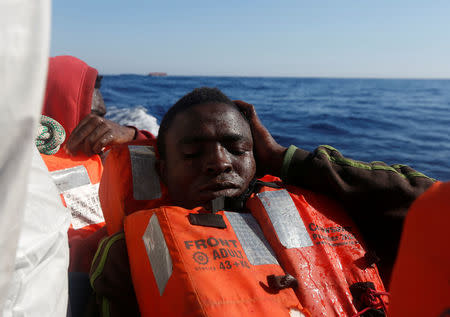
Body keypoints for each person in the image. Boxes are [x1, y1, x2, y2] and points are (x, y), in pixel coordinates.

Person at [89, 87, 435, 316]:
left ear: (257, 159)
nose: (220, 162)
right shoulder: (132, 253)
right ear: (163, 169)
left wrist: (285, 158)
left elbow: (432, 206)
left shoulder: (333, 205)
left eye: (238, 149)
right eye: (193, 153)